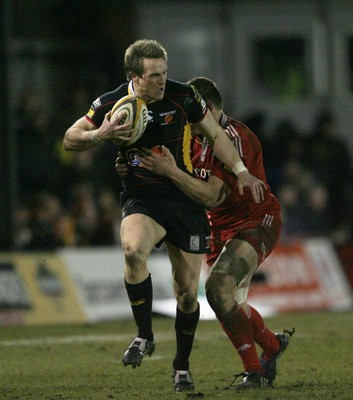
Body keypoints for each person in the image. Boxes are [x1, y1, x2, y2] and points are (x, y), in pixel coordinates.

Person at [63, 39, 266, 393]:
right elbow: (70, 138)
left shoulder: (184, 97)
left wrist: (241, 169)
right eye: (154, 75)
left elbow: (216, 134)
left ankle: (181, 367)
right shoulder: (112, 104)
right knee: (132, 250)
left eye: (164, 73)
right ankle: (144, 336)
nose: (162, 81)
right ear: (134, 77)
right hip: (143, 198)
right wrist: (101, 134)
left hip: (184, 202)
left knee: (187, 294)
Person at [137, 77, 295, 390]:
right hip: (216, 228)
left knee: (218, 289)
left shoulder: (234, 138)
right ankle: (273, 347)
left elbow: (211, 195)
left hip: (254, 220)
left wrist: (170, 171)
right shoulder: (188, 137)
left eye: (191, 113)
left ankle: (255, 372)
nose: (186, 120)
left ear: (205, 109)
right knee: (230, 303)